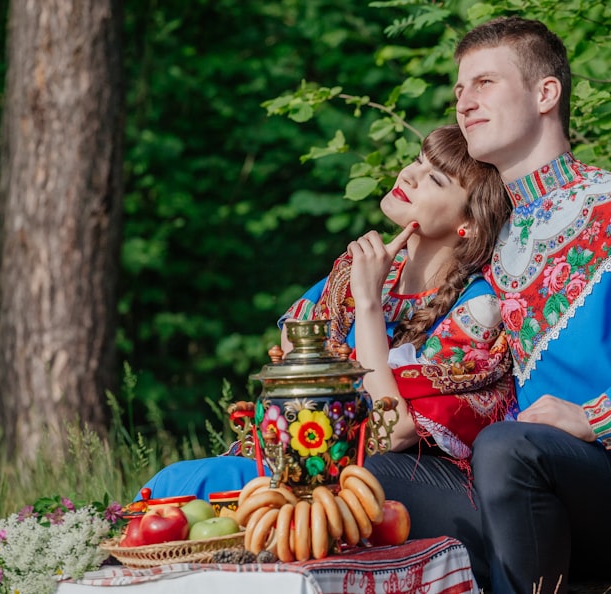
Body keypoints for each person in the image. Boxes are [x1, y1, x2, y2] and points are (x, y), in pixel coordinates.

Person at [370, 16, 611, 594]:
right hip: (504, 488)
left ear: (546, 94)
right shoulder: (488, 244)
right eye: (458, 89)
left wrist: (597, 416)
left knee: (509, 446)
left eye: (484, 84)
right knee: (365, 478)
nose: (463, 103)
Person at [137, 124, 515, 503]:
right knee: (178, 482)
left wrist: (368, 305)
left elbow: (392, 431)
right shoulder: (365, 268)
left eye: (433, 178)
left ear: (469, 223)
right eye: (416, 160)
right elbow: (293, 354)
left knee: (198, 488)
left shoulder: (477, 309)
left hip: (387, 486)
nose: (408, 175)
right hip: (305, 458)